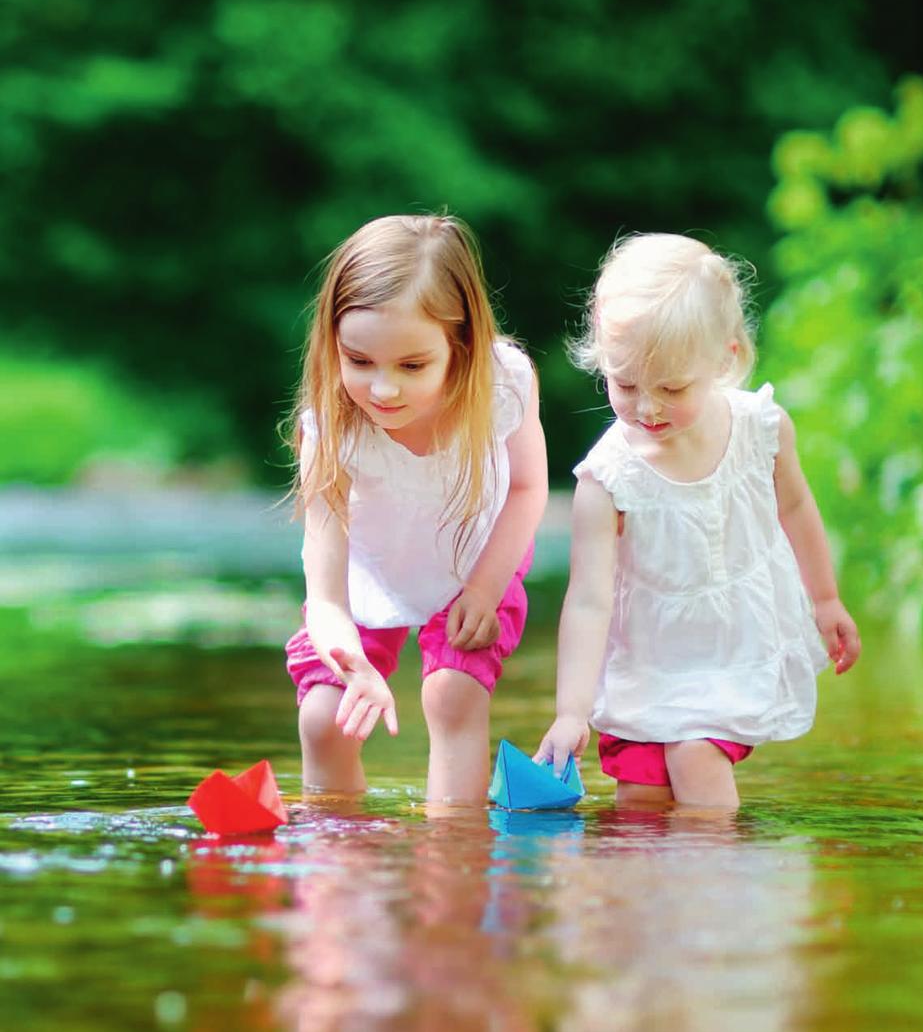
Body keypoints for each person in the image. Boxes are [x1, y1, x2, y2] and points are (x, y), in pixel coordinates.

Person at [534, 233, 860, 808]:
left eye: (671, 387)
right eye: (626, 384)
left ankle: (717, 890)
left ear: (726, 358)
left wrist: (826, 599)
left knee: (695, 758)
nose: (647, 408)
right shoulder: (607, 481)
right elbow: (588, 600)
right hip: (647, 656)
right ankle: (650, 896)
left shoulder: (763, 429)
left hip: (728, 646)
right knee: (639, 801)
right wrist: (570, 712)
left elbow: (795, 507)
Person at [285, 214, 547, 802]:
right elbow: (325, 592)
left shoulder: (502, 385)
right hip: (370, 569)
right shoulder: (332, 427)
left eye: (411, 366)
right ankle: (340, 864)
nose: (383, 390)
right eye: (359, 361)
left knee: (452, 694)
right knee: (325, 719)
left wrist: (484, 590)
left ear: (462, 346)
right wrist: (348, 656)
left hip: (475, 557)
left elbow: (529, 490)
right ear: (333, 343)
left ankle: (452, 863)